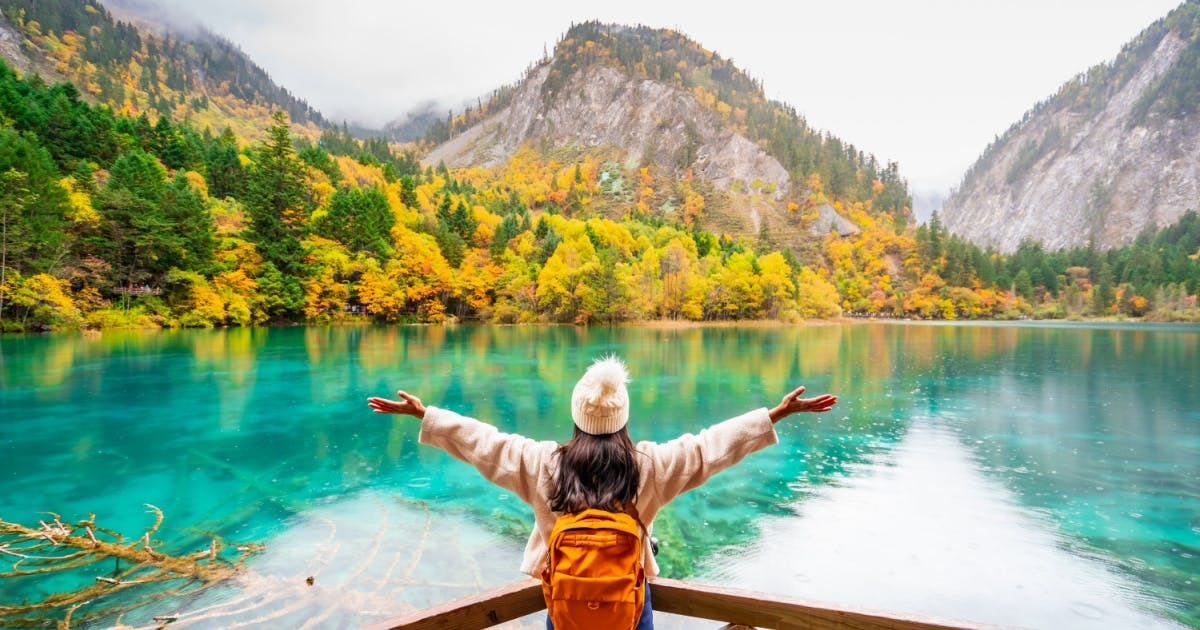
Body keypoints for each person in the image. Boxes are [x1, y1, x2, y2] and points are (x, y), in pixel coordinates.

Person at [367, 355, 838, 629]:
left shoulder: (544, 463)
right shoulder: (649, 465)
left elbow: (485, 445)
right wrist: (774, 416)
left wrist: (426, 415)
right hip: (628, 604)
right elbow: (708, 448)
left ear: (575, 415)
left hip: (566, 601)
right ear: (624, 418)